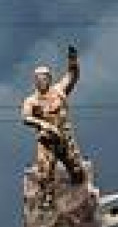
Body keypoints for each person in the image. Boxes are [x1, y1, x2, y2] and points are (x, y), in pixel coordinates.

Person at [21, 45, 87, 206]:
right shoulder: (32, 100)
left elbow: (72, 76)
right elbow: (25, 117)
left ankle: (79, 199)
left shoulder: (59, 91)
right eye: (37, 79)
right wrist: (43, 123)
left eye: (43, 78)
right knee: (45, 172)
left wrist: (73, 60)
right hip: (47, 140)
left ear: (49, 79)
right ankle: (47, 200)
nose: (41, 81)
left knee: (77, 171)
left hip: (64, 137)